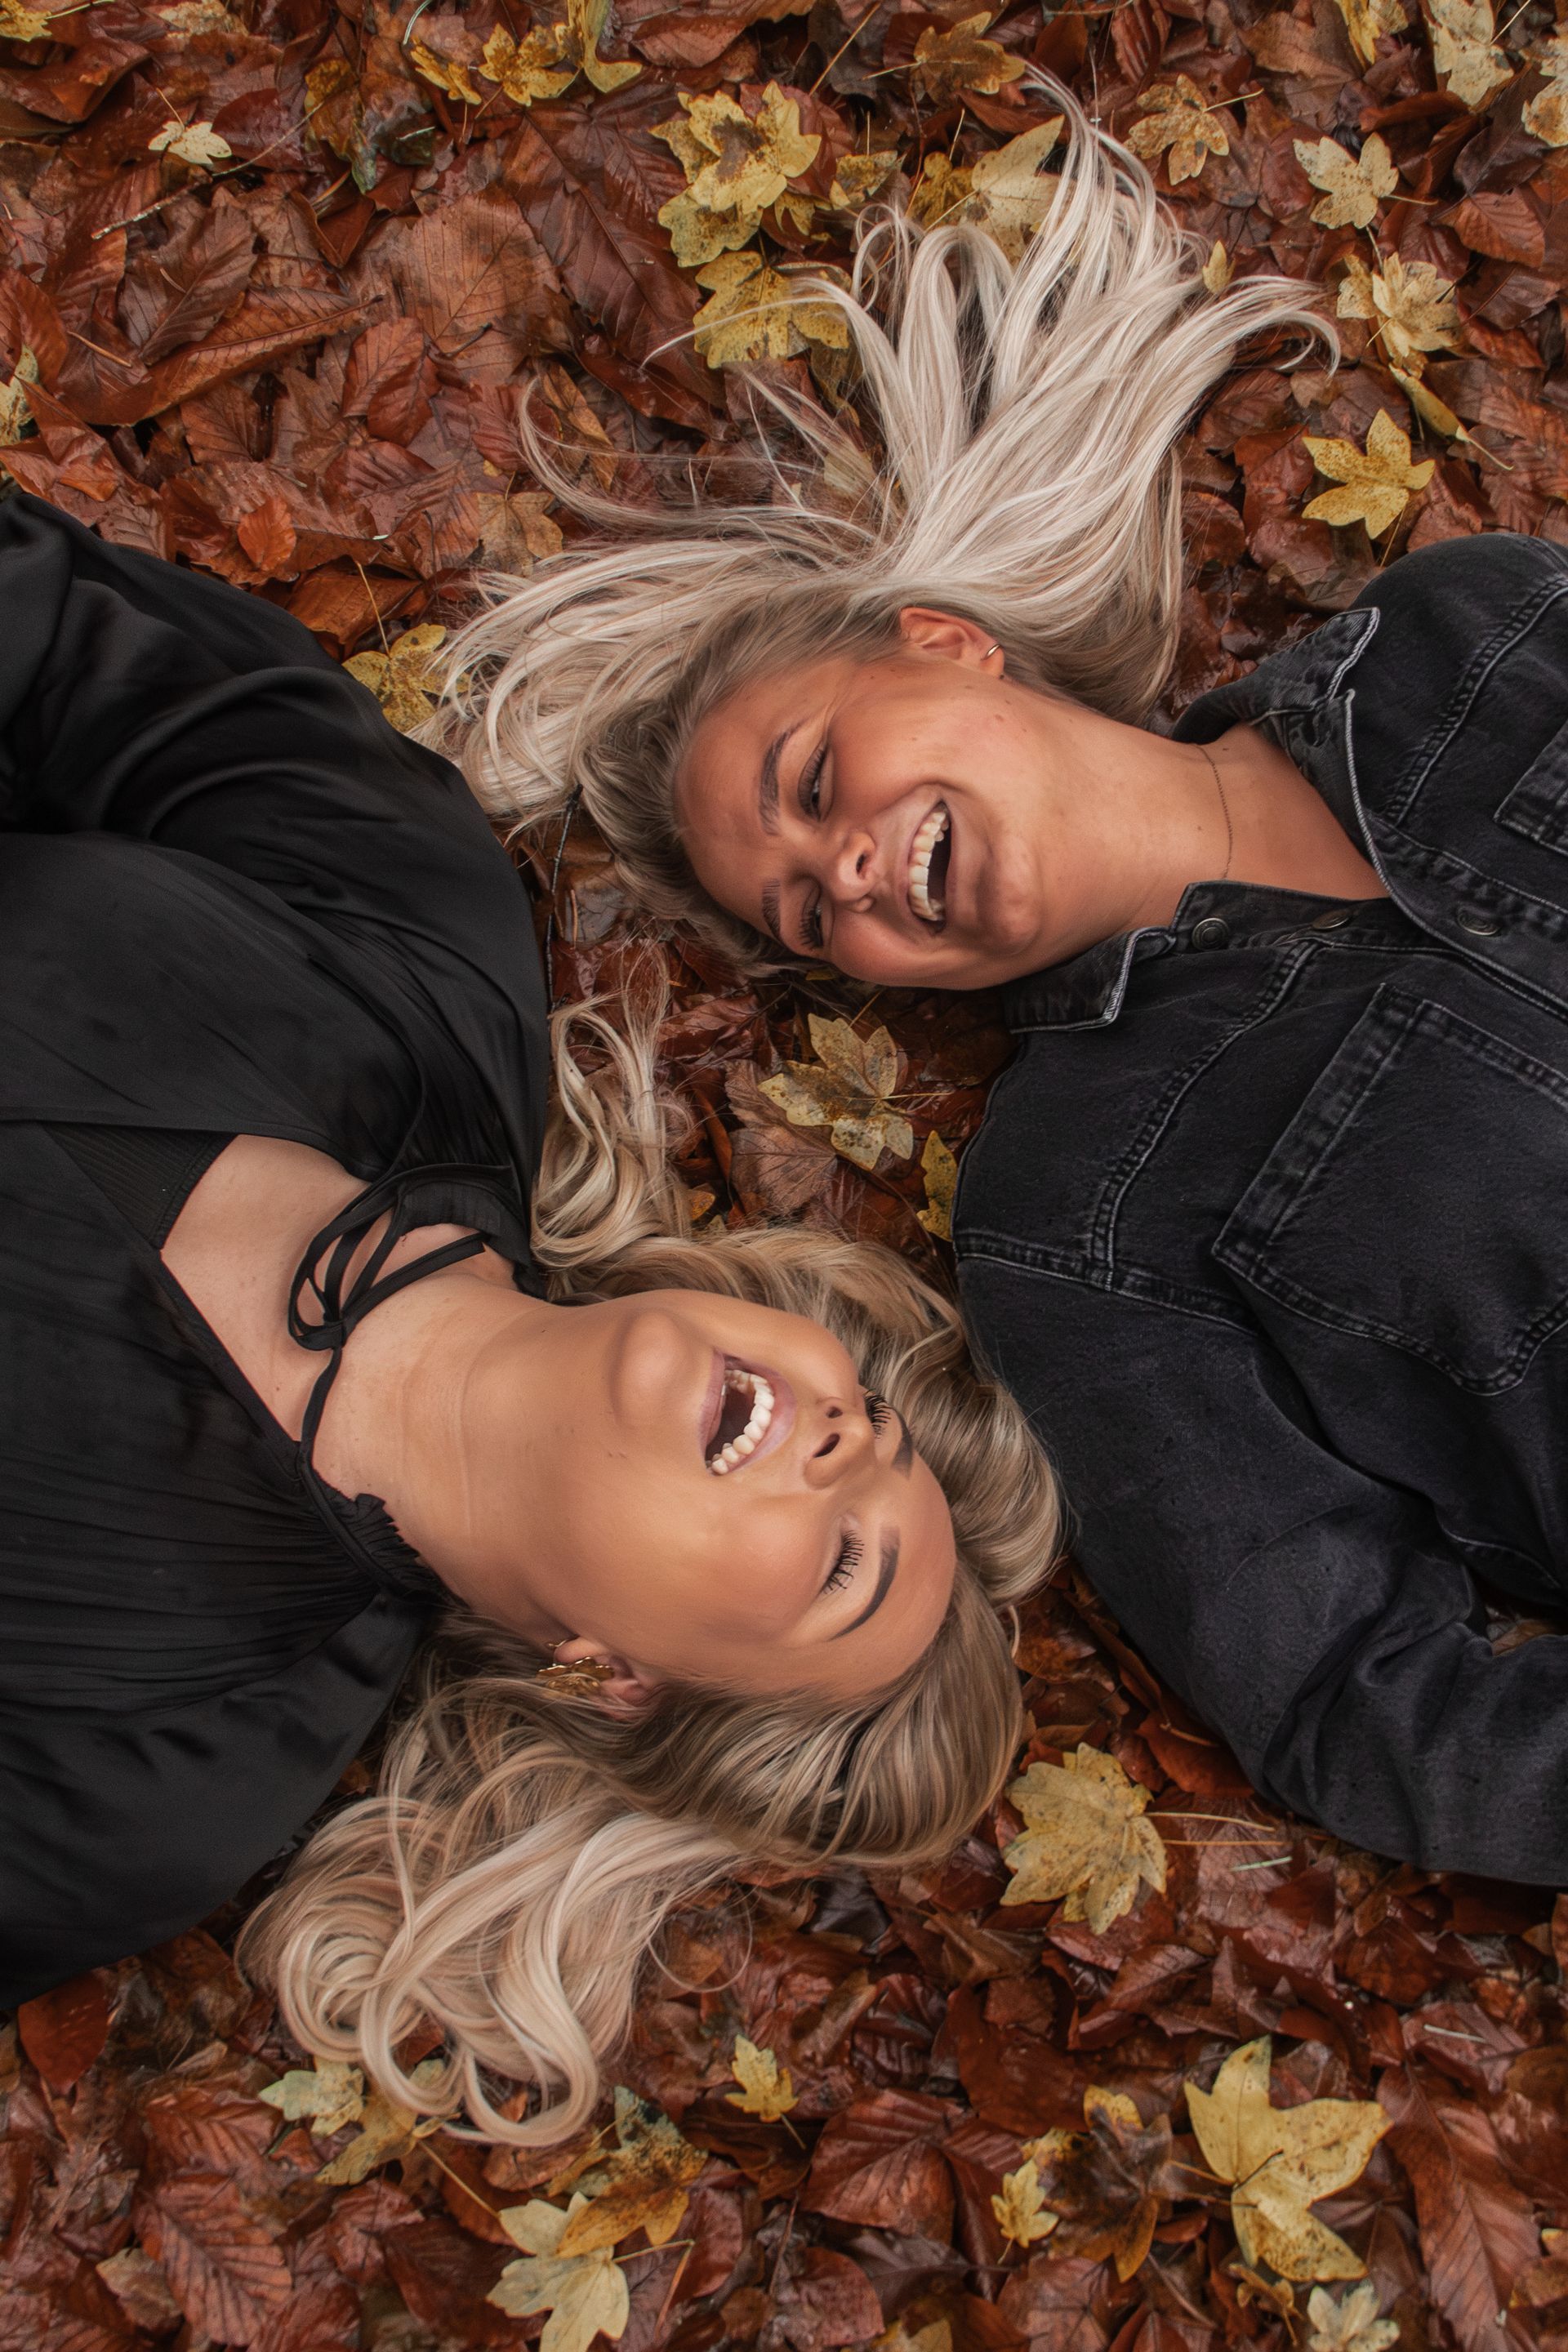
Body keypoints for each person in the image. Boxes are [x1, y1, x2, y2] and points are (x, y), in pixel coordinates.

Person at [448, 88, 1568, 1886]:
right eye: (808, 913)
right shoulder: (1075, 1219)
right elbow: (1347, 1694)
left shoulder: (1476, 635)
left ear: (946, 647)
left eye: (817, 783)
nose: (848, 871)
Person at [0, 491, 1058, 2143]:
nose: (841, 1441)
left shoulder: (162, 1773)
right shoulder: (427, 942)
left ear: (619, 1681)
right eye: (878, 1426)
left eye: (843, 1561)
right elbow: (57, 629)